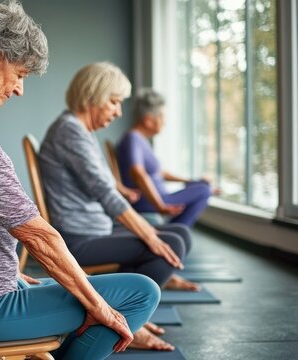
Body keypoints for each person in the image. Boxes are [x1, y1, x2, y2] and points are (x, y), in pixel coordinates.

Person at [0, 2, 159, 359]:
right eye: (20, 74)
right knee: (141, 292)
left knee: (99, 294)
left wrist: (12, 274)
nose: (19, 89)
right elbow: (36, 234)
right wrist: (98, 306)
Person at [38, 62, 200, 351]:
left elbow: (105, 186)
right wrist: (149, 234)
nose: (118, 112)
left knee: (178, 237)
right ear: (93, 97)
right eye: (114, 102)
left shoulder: (80, 131)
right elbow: (106, 194)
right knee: (168, 244)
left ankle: (120, 308)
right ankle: (126, 322)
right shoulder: (70, 131)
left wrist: (149, 228)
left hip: (94, 229)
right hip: (78, 239)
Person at [117, 88, 219, 227]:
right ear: (148, 120)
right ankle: (177, 230)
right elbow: (137, 173)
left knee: (202, 185)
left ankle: (175, 230)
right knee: (204, 191)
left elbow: (159, 173)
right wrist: (159, 205)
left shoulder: (138, 139)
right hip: (151, 202)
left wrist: (191, 181)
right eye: (162, 116)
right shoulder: (133, 138)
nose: (164, 121)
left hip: (158, 198)